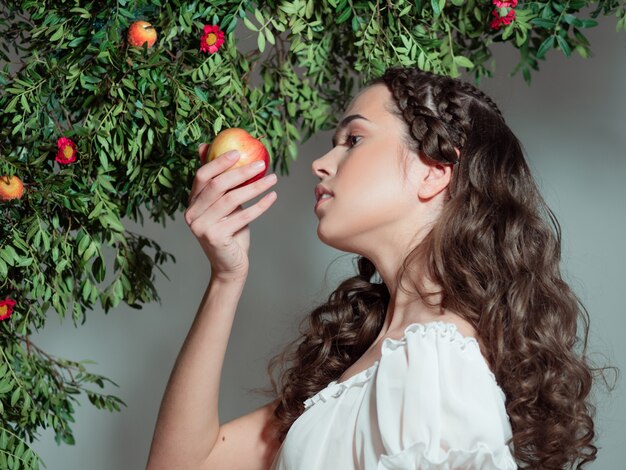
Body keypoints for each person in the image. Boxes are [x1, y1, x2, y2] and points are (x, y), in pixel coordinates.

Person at [146, 66, 602, 469]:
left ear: (433, 171)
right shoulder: (379, 360)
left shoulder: (435, 362)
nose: (321, 164)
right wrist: (227, 277)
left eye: (354, 139)